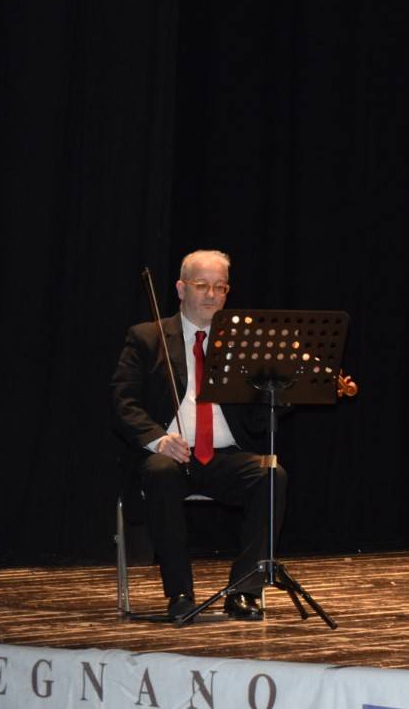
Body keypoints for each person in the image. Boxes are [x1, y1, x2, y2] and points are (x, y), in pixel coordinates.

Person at [111, 250, 287, 622]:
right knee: (160, 471)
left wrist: (280, 393)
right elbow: (124, 404)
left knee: (270, 474)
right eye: (201, 286)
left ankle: (244, 591)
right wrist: (159, 439)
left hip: (223, 456)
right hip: (168, 456)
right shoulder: (147, 337)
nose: (211, 295)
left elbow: (256, 422)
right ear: (180, 288)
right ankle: (179, 594)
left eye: (219, 287)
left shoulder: (241, 343)